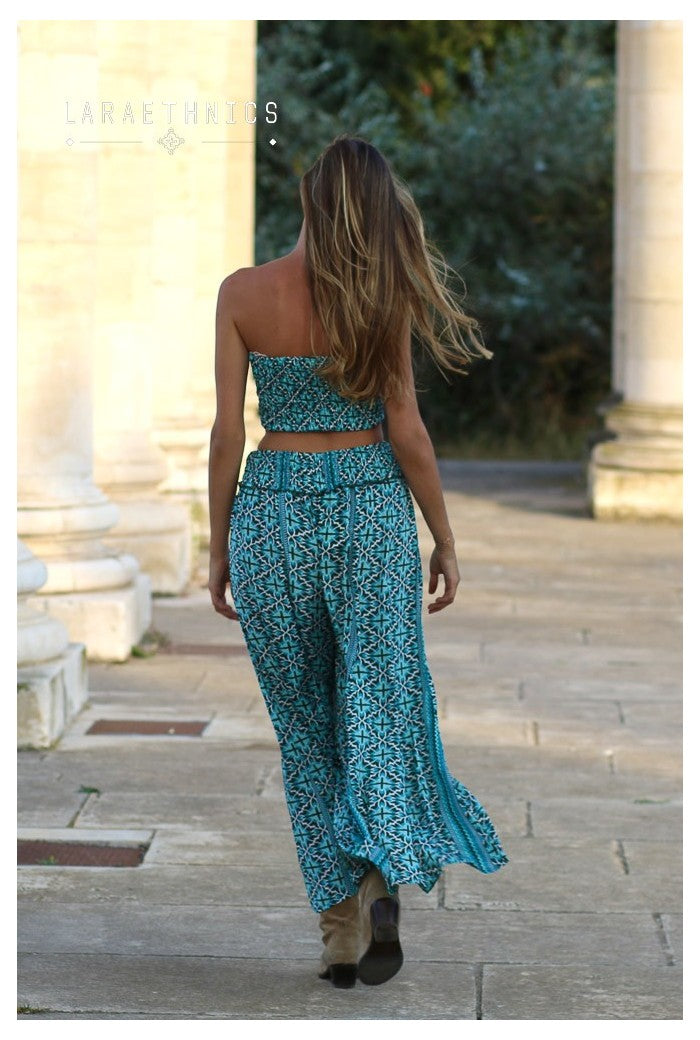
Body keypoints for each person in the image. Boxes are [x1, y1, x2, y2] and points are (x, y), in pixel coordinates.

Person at [208, 133, 508, 989]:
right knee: (377, 707)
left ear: (307, 199)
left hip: (273, 512)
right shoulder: (380, 300)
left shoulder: (243, 293)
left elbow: (227, 432)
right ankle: (380, 878)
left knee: (305, 727)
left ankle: (341, 931)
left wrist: (219, 543)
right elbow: (406, 429)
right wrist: (444, 535)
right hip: (372, 509)